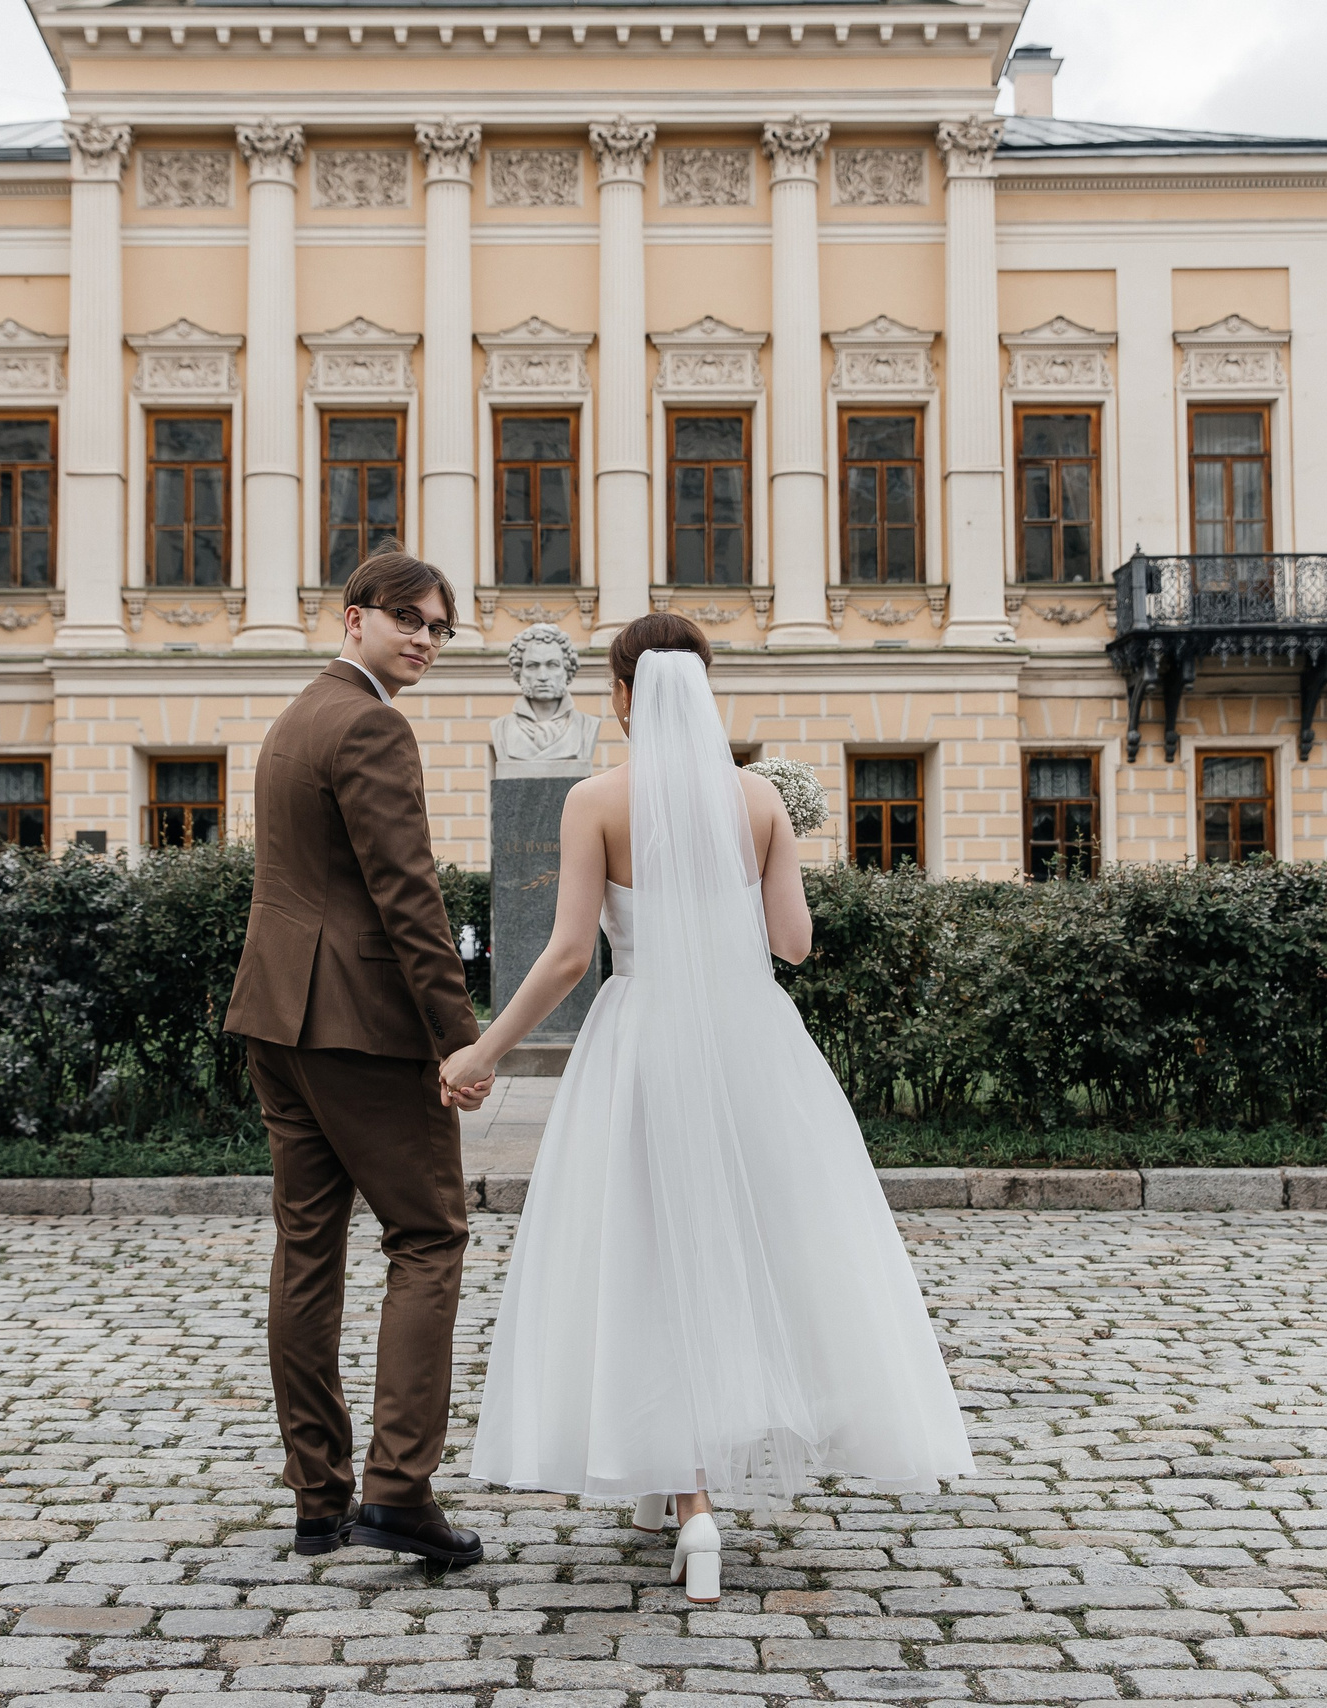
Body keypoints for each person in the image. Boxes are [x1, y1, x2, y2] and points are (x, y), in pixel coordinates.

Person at [441, 613, 973, 1602]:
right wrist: (775, 852)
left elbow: (566, 956)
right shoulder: (759, 797)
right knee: (747, 1245)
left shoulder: (595, 799)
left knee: (647, 1250)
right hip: (745, 1039)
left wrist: (483, 1047)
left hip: (641, 1036)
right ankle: (689, 1494)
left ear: (620, 693)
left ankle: (689, 1501)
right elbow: (793, 944)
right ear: (706, 686)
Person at [223, 549, 496, 1570]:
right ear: (355, 618)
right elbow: (407, 896)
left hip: (276, 1021)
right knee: (428, 1235)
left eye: (439, 626)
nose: (425, 638)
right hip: (359, 1025)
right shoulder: (373, 722)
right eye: (409, 619)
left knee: (307, 1249)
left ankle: (316, 1499)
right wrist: (457, 1037)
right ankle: (396, 1491)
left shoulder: (299, 714)